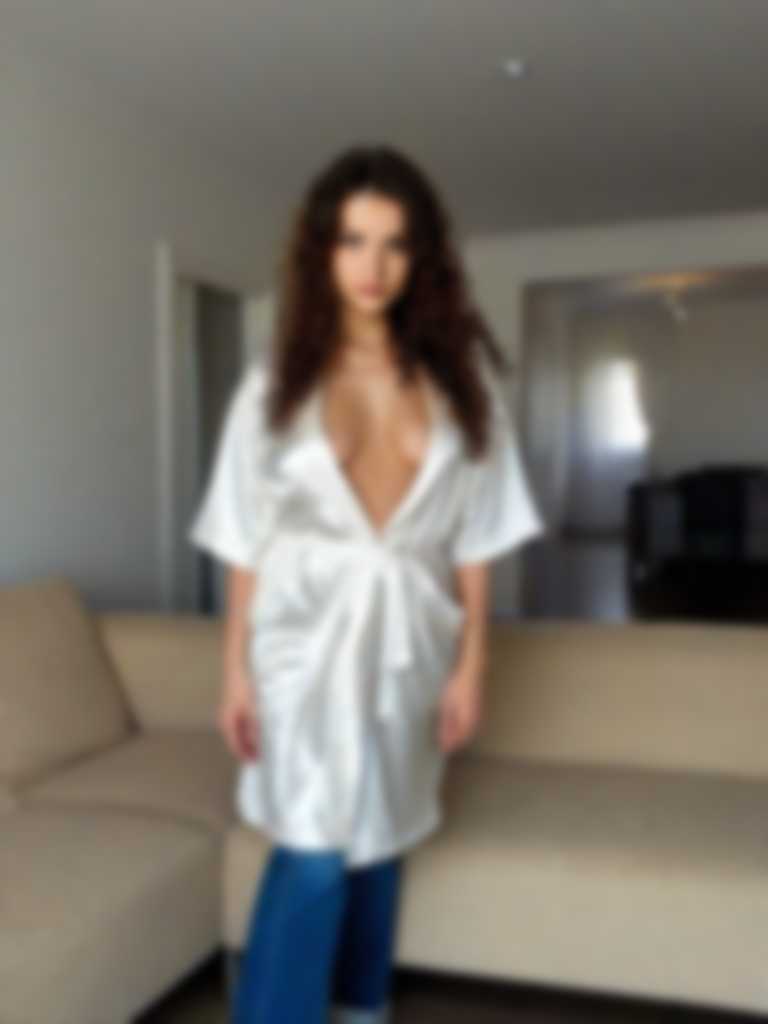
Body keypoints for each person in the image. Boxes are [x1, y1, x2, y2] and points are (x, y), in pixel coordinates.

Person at [186, 144, 545, 1024]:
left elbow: (478, 537)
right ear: (321, 251)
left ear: (422, 258)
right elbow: (243, 537)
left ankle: (361, 1006)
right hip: (301, 642)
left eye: (394, 244)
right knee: (313, 848)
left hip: (412, 638)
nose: (372, 267)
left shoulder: (464, 385)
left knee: (382, 829)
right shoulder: (274, 385)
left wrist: (472, 666)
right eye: (352, 241)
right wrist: (234, 674)